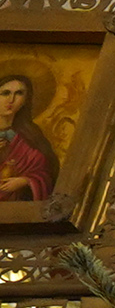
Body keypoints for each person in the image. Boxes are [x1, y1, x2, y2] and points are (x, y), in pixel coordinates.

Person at [0, 71, 59, 207]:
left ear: (26, 100)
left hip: (19, 209)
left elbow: (48, 172)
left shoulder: (32, 135)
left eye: (19, 93)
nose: (11, 100)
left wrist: (25, 181)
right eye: (5, 93)